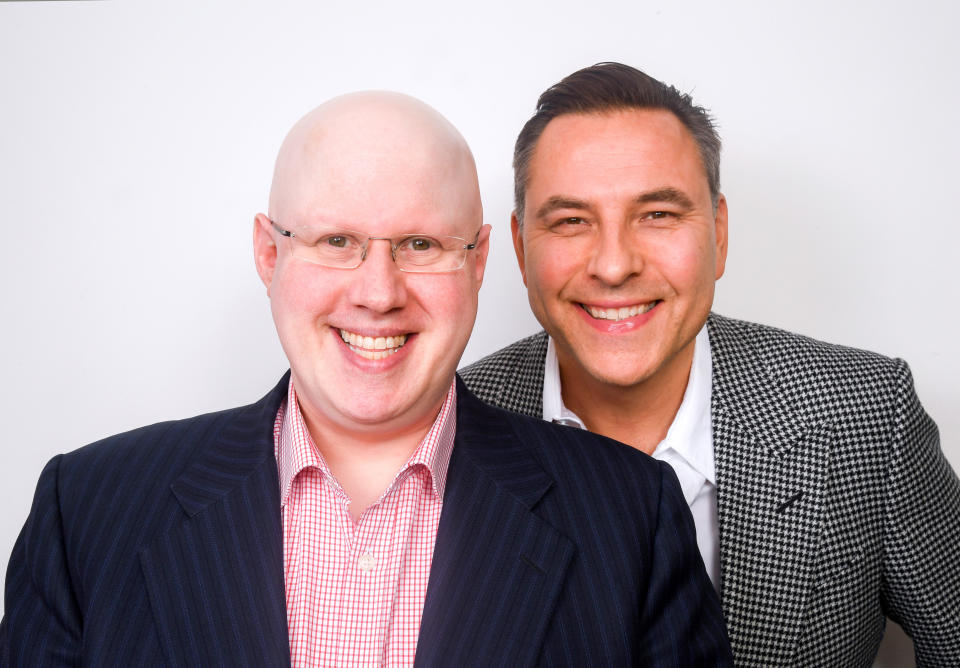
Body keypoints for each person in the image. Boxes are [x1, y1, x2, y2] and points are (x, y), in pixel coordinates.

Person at [1, 91, 730, 666]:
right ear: (268, 254)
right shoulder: (88, 512)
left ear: (477, 262)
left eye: (419, 243)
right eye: (337, 241)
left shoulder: (632, 518)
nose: (378, 292)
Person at [460, 63, 960, 666]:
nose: (614, 265)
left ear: (719, 234)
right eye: (571, 221)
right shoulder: (452, 424)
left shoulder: (866, 415)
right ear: (519, 247)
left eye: (658, 215)